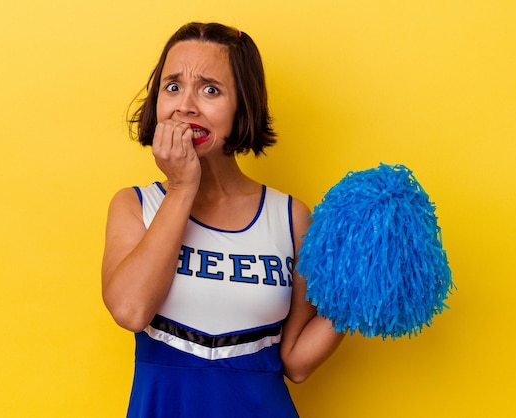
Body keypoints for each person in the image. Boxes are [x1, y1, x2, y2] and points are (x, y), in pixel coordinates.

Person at [101, 22, 345, 417]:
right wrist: (181, 188)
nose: (185, 105)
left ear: (242, 105)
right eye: (173, 86)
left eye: (210, 89)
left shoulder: (291, 217)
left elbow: (296, 363)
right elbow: (130, 311)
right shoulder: (135, 205)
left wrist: (362, 289)